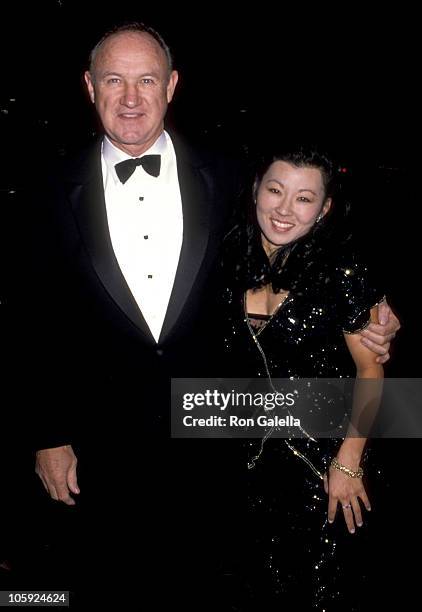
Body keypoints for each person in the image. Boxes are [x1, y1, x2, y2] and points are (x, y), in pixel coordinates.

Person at [24, 23, 398, 607]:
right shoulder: (44, 189)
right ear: (88, 86)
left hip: (221, 444)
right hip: (104, 443)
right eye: (113, 80)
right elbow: (32, 320)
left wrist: (377, 315)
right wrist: (48, 435)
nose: (130, 98)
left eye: (146, 80)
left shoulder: (229, 177)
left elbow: (306, 240)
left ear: (171, 86)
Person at [219, 146, 390, 609]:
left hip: (322, 467)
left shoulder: (344, 272)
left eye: (303, 198)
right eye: (275, 190)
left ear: (324, 208)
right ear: (256, 189)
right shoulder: (219, 259)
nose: (283, 209)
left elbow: (372, 373)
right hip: (239, 464)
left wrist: (348, 462)